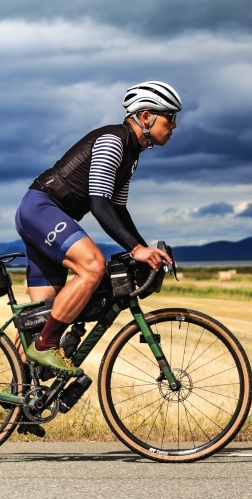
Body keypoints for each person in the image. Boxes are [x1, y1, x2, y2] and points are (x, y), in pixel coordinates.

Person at [13, 80, 181, 373]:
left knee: (39, 319)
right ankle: (46, 348)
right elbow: (99, 203)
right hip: (41, 209)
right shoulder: (113, 140)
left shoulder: (132, 156)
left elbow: (118, 209)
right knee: (93, 265)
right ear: (146, 116)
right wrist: (136, 249)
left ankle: (21, 403)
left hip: (46, 215)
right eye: (170, 117)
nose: (174, 125)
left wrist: (144, 249)